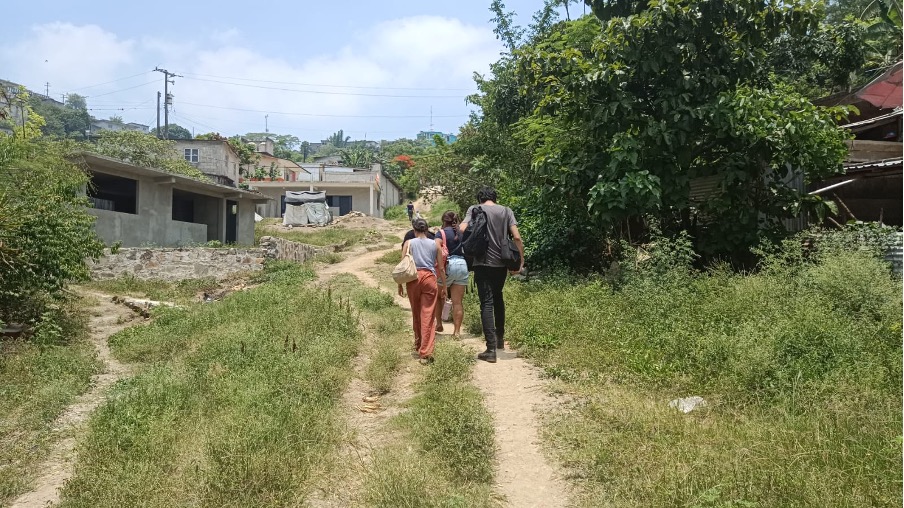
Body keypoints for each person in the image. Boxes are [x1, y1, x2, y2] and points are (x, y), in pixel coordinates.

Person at [459, 187, 523, 363]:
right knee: (498, 297)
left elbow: (462, 228)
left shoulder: (474, 209)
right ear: (495, 197)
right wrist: (521, 260)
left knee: (486, 303)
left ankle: (491, 349)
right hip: (501, 263)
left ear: (479, 198)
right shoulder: (506, 211)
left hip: (482, 262)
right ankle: (500, 339)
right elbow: (517, 237)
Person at [398, 218, 446, 364]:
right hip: (430, 278)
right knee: (428, 315)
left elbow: (402, 265)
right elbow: (441, 267)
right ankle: (425, 352)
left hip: (413, 278)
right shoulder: (435, 244)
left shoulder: (409, 243)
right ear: (426, 229)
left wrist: (400, 284)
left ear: (414, 230)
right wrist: (444, 286)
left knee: (416, 313)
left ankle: (418, 344)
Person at [434, 211, 468, 338]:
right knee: (457, 302)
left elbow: (436, 247)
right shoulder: (461, 232)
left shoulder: (441, 233)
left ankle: (439, 324)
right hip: (462, 265)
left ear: (443, 220)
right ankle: (457, 332)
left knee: (439, 297)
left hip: (448, 266)